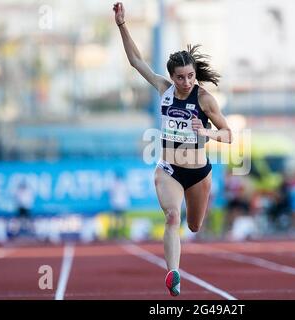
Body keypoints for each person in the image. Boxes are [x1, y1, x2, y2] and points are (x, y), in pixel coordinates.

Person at [113, 2, 232, 297]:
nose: (186, 82)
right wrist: (122, 25)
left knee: (193, 226)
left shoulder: (205, 100)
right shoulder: (163, 88)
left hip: (199, 173)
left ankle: (178, 258)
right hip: (169, 170)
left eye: (190, 76)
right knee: (171, 217)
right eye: (180, 77)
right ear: (172, 76)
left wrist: (205, 131)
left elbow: (229, 135)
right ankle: (173, 274)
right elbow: (136, 61)